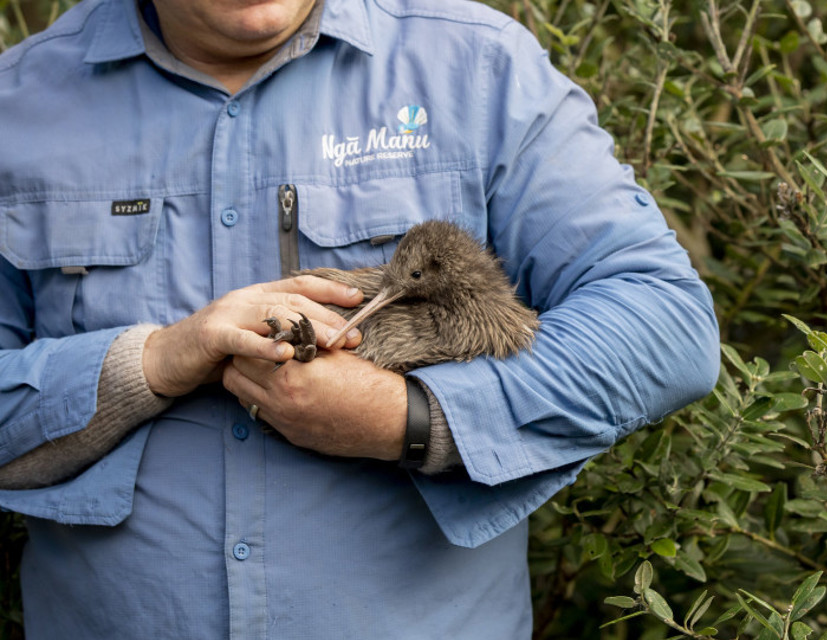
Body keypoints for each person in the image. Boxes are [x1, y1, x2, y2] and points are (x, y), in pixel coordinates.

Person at [0, 0, 720, 637]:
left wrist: (409, 418)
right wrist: (154, 361)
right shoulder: (18, 105)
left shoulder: (475, 70)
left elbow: (665, 324)